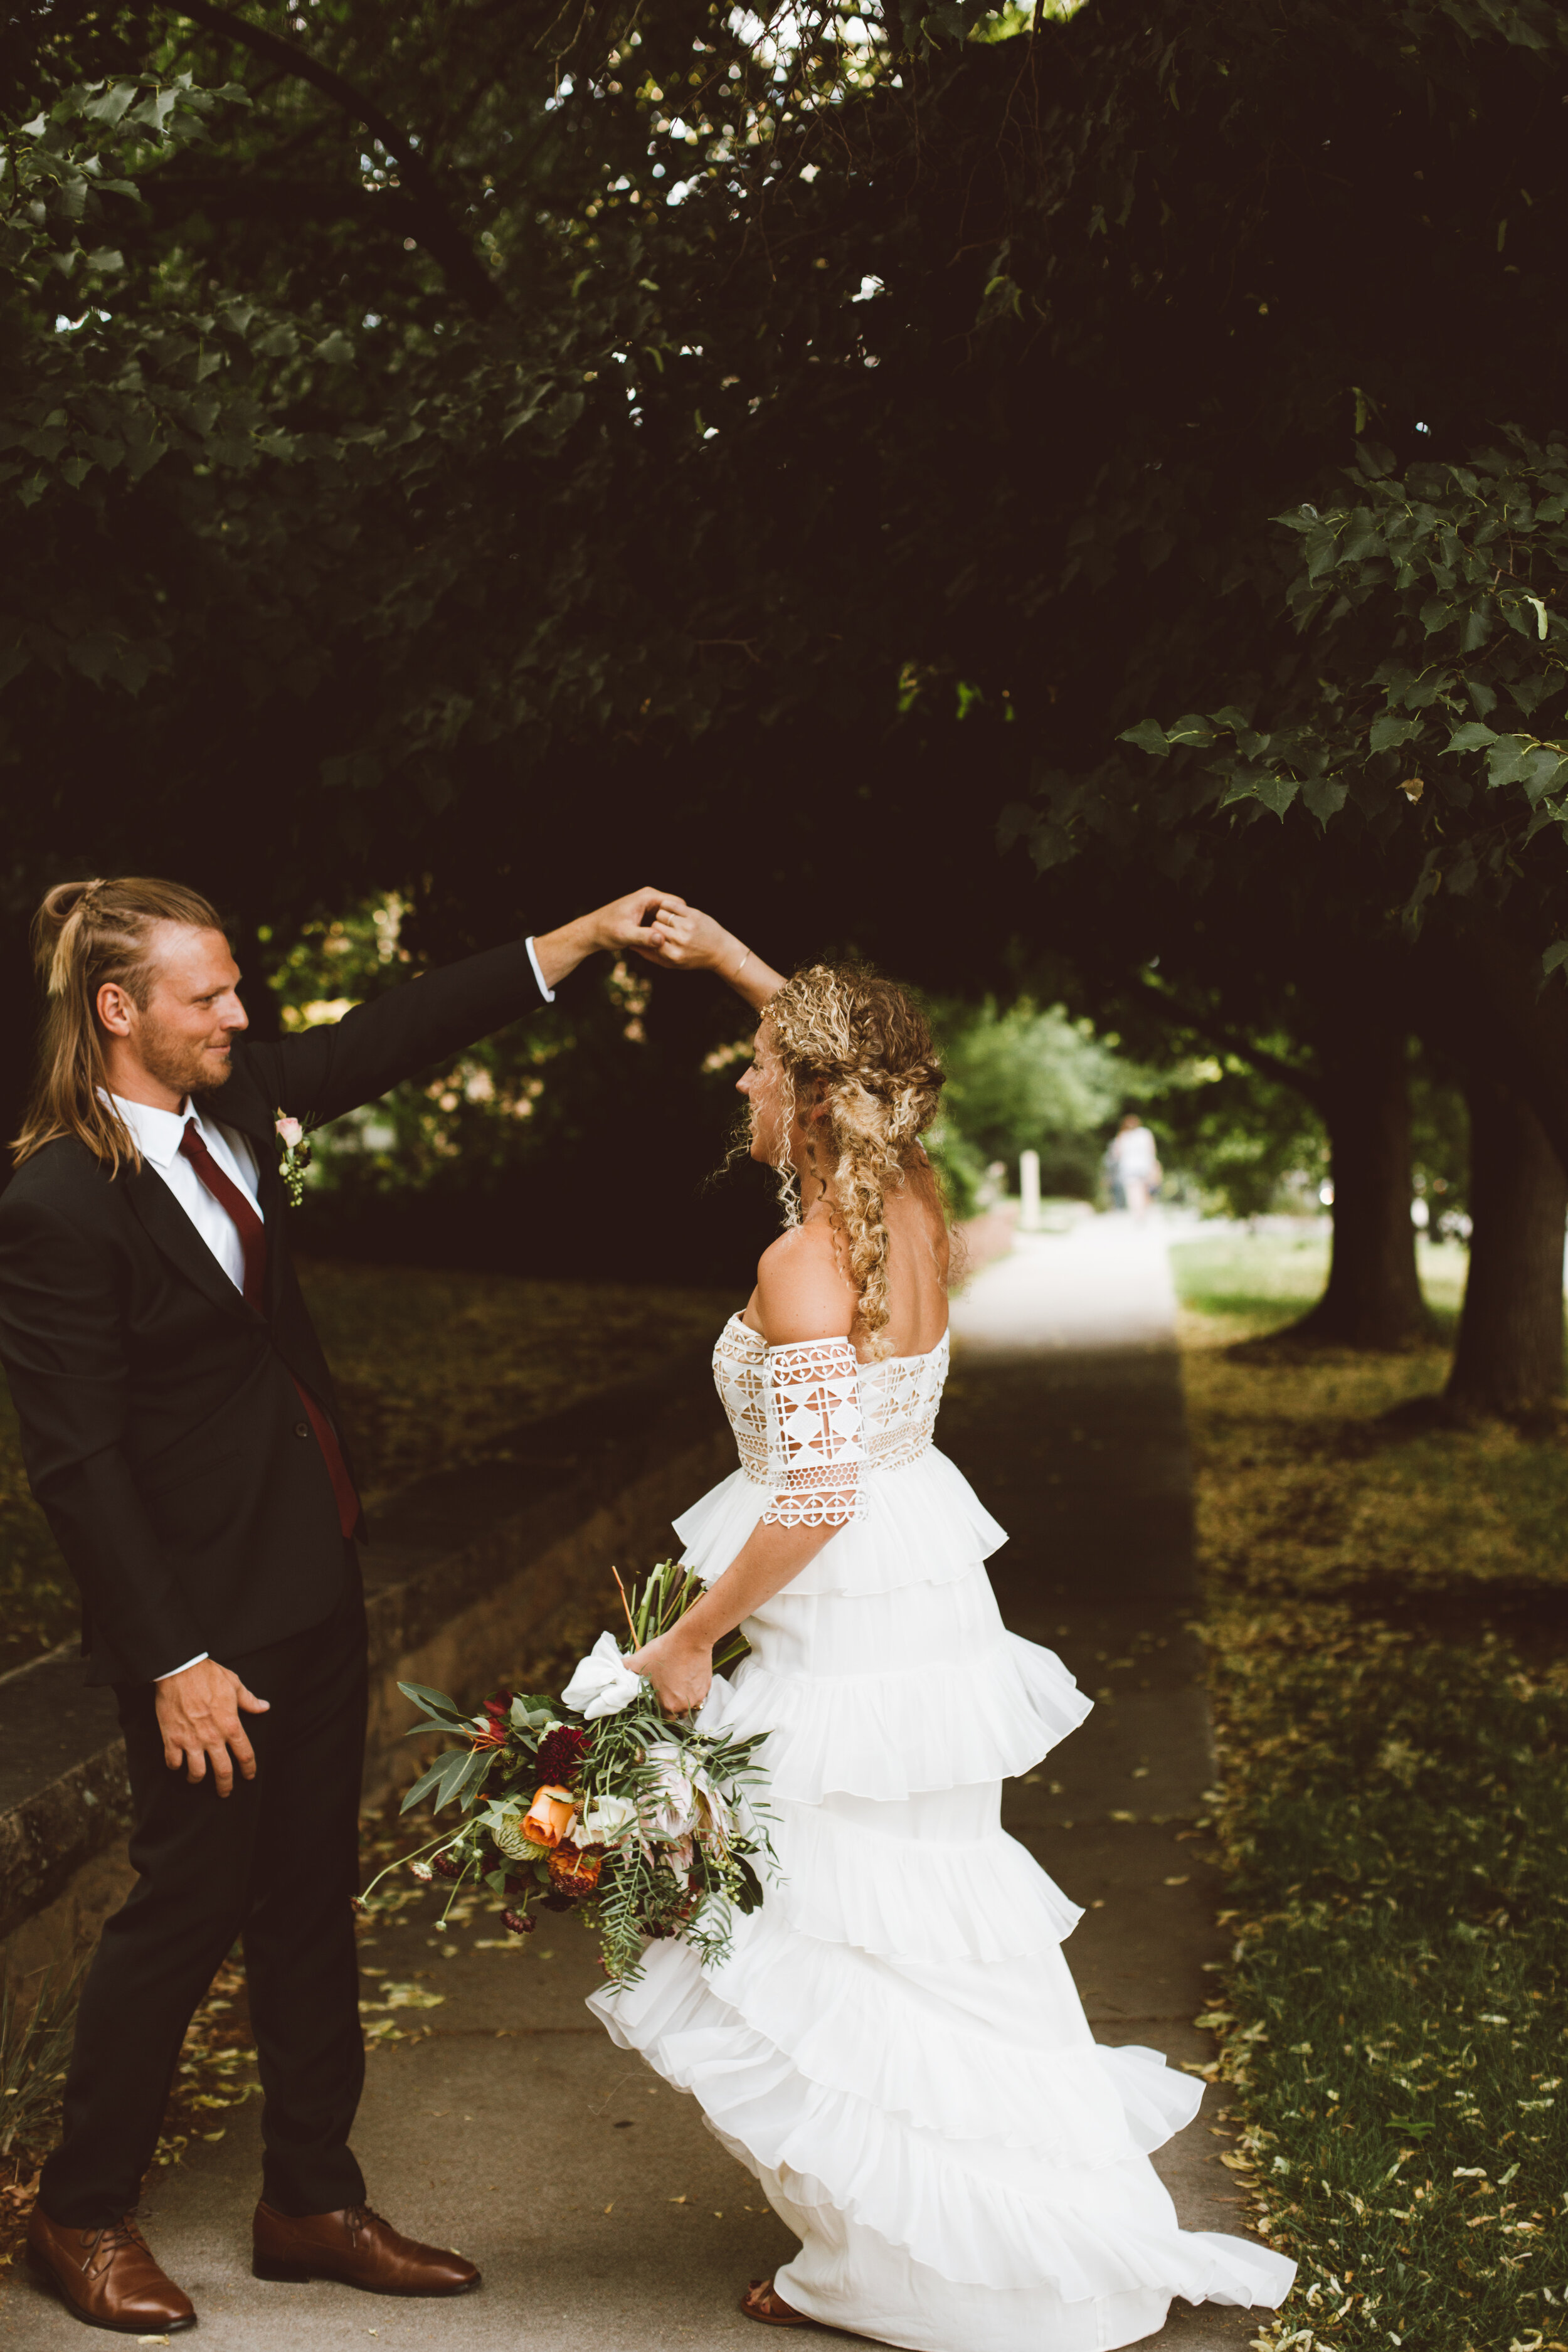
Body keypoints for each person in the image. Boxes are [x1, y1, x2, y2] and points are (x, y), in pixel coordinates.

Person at [591, 908, 1296, 2351]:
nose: (740, 1083)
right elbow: (859, 1056)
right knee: (918, 1913)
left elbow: (818, 1489)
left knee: (832, 1925)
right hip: (927, 1599)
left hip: (847, 1610)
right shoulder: (901, 1197)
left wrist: (692, 1639)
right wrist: (738, 963)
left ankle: (895, 2264)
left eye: (755, 1064)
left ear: (810, 1090)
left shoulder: (809, 1255)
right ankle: (941, 2232)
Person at [0, 875, 674, 2336]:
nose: (242, 1013)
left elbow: (396, 1031)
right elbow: (77, 1462)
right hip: (199, 1618)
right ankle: (80, 2206)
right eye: (210, 994)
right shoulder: (55, 1200)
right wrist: (171, 1653)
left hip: (310, 1565)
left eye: (238, 986)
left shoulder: (234, 1110)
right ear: (118, 1011)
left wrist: (568, 940)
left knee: (310, 1895)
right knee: (188, 1897)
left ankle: (309, 2193)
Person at [1107, 1113, 1162, 1219]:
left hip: (1131, 1167)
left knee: (1135, 1190)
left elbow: (1117, 1154)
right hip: (1142, 1166)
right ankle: (1141, 1212)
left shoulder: (1124, 1136)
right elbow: (1152, 1150)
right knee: (1141, 1190)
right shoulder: (1144, 1134)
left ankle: (1139, 1212)